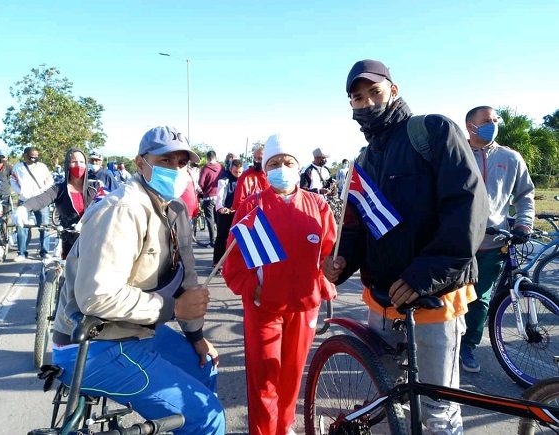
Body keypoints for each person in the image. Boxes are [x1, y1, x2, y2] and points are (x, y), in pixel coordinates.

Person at [322, 59, 489, 433]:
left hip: (434, 303)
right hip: (382, 303)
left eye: (374, 93)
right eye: (357, 98)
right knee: (392, 401)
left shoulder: (432, 131)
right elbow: (360, 225)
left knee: (438, 411)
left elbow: (467, 209)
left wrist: (423, 276)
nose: (367, 104)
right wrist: (343, 260)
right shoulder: (364, 160)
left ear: (393, 90)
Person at [51, 126, 225, 434]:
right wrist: (174, 310)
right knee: (209, 416)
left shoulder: (175, 209)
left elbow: (188, 281)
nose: (175, 169)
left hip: (136, 332)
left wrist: (196, 338)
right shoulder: (122, 209)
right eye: (165, 161)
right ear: (140, 164)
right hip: (94, 344)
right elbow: (97, 296)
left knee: (204, 368)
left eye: (181, 162)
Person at [223, 134, 336, 435]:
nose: (281, 168)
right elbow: (232, 263)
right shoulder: (251, 205)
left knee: (291, 376)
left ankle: (285, 427)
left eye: (288, 162)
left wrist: (329, 274)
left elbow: (329, 252)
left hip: (303, 308)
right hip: (264, 309)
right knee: (264, 380)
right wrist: (255, 290)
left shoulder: (318, 205)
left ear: (298, 167)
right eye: (274, 163)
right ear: (264, 167)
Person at [460, 105, 535, 373]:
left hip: (494, 242)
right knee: (449, 296)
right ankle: (444, 342)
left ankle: (467, 346)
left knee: (480, 300)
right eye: (486, 121)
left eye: (495, 120)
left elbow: (525, 194)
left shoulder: (511, 158)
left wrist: (524, 222)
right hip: (457, 242)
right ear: (470, 126)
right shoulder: (455, 154)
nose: (493, 124)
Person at [13, 148, 102, 259]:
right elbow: (41, 199)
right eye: (73, 162)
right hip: (67, 239)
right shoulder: (59, 189)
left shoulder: (95, 187)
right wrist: (24, 207)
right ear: (67, 164)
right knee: (66, 271)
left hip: (92, 238)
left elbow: (109, 203)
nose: (78, 165)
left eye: (82, 162)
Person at [10, 146, 54, 260]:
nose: (34, 159)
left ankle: (44, 252)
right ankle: (21, 253)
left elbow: (50, 181)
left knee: (44, 226)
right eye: (31, 157)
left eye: (36, 157)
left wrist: (41, 191)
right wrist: (20, 192)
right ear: (25, 155)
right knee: (21, 226)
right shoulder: (18, 167)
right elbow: (13, 181)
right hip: (24, 200)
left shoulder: (42, 167)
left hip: (40, 200)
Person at [212, 159, 243, 269]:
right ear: (230, 169)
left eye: (240, 172)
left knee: (236, 238)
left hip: (237, 211)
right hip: (225, 211)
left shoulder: (243, 179)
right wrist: (221, 207)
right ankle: (217, 262)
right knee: (222, 236)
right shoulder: (224, 178)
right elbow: (220, 194)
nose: (238, 175)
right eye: (236, 172)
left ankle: (233, 263)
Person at [231, 144, 270, 212]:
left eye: (260, 158)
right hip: (252, 217)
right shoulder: (245, 177)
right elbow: (238, 204)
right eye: (254, 158)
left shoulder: (272, 175)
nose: (256, 161)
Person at [198, 150, 223, 247]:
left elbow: (201, 183)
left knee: (210, 219)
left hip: (208, 197)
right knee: (219, 219)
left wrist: (204, 191)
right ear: (215, 157)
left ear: (208, 158)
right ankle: (220, 239)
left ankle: (212, 240)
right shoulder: (221, 167)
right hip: (219, 197)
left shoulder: (205, 169)